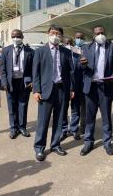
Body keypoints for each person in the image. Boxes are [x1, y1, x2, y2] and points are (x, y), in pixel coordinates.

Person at [33, 24, 75, 161]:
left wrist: (71, 89)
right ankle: (39, 148)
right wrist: (36, 90)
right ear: (48, 34)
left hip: (62, 89)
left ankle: (55, 144)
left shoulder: (66, 52)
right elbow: (36, 73)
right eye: (52, 33)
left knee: (59, 119)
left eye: (58, 33)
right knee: (43, 121)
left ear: (61, 36)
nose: (55, 35)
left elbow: (71, 72)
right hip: (45, 90)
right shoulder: (40, 51)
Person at [81, 25, 113, 156]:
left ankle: (107, 143)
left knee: (106, 117)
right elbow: (81, 66)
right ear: (93, 35)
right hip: (91, 87)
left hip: (105, 87)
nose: (100, 35)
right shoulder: (87, 47)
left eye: (102, 32)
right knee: (90, 117)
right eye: (97, 33)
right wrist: (82, 64)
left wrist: (111, 77)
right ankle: (88, 142)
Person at [0, 29, 34, 139]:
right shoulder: (6, 50)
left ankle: (22, 127)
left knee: (23, 105)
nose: (16, 38)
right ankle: (13, 128)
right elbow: (3, 68)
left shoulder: (30, 51)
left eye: (18, 36)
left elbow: (34, 68)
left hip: (24, 82)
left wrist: (32, 81)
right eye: (13, 36)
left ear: (22, 37)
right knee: (12, 106)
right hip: (10, 82)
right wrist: (4, 82)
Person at [60, 36, 83, 141]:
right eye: (66, 43)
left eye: (70, 43)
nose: (68, 45)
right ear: (62, 44)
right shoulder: (59, 56)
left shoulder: (78, 56)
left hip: (77, 87)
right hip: (64, 88)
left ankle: (74, 129)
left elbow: (81, 71)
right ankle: (64, 130)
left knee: (75, 109)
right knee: (63, 110)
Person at [73, 31, 87, 134]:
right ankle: (73, 128)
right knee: (74, 107)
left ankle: (83, 127)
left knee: (84, 107)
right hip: (74, 83)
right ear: (74, 38)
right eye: (77, 37)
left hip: (85, 83)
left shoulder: (87, 49)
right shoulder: (71, 50)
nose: (79, 39)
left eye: (81, 37)